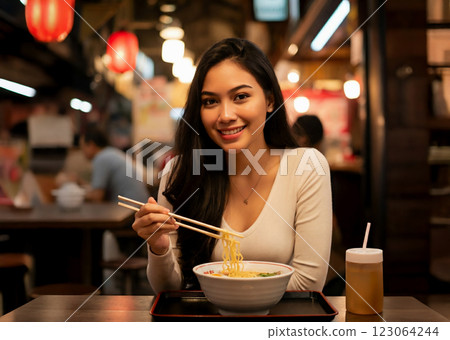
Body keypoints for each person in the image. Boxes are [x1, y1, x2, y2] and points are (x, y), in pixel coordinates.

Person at [132, 38, 332, 293]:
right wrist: (158, 247)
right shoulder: (180, 172)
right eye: (210, 101)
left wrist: (220, 294)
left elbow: (308, 284)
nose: (225, 115)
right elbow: (170, 289)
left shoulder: (306, 167)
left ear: (270, 100)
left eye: (240, 97)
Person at [79, 125, 149, 203]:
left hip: (130, 208)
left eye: (83, 147)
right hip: (140, 203)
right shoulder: (111, 152)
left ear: (91, 145)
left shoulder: (101, 158)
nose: (82, 152)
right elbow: (98, 189)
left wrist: (73, 195)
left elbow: (97, 196)